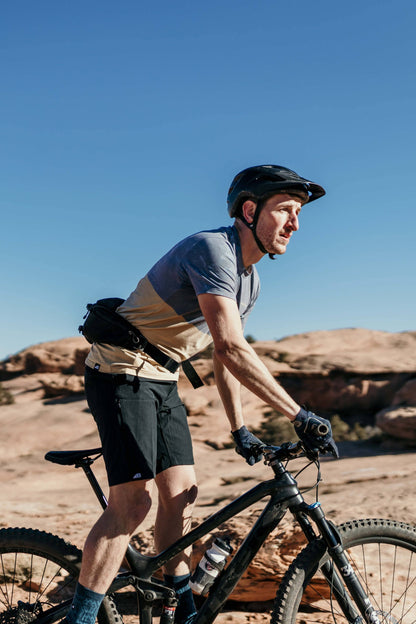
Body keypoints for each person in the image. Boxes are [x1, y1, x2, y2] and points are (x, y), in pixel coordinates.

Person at [68, 164, 338, 624]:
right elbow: (233, 348)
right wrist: (299, 414)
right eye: (287, 210)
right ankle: (81, 618)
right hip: (119, 372)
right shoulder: (212, 249)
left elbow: (222, 355)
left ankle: (180, 611)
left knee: (182, 496)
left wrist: (240, 428)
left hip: (161, 380)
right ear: (250, 210)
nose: (296, 224)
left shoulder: (249, 280)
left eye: (300, 214)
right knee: (133, 504)